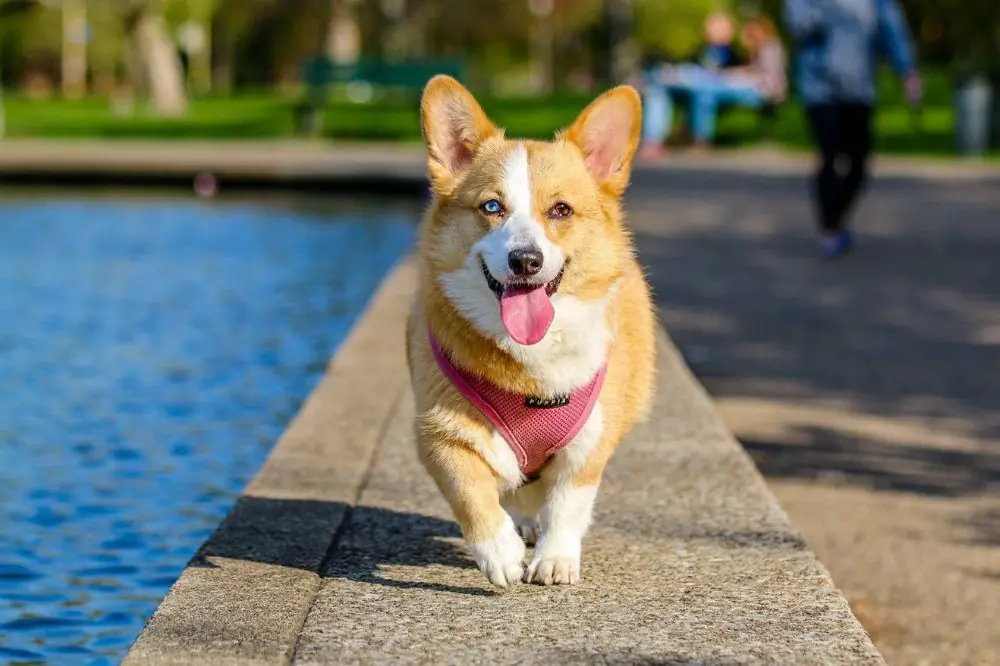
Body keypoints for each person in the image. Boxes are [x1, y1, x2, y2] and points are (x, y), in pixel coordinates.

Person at [785, 0, 922, 259]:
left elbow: (891, 26)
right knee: (830, 154)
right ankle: (829, 228)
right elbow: (797, 23)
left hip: (859, 87)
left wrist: (907, 71)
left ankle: (838, 216)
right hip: (820, 87)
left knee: (859, 162)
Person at [639, 13, 787, 158]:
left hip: (757, 90)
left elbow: (765, 77)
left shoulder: (759, 48)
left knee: (704, 90)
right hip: (702, 85)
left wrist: (739, 73)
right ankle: (653, 141)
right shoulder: (703, 49)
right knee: (657, 87)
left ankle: (698, 139)